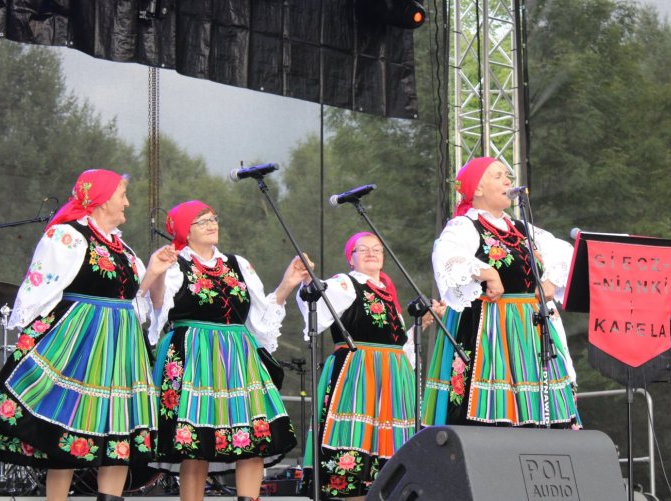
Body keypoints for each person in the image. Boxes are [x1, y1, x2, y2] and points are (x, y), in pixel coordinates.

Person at [0, 169, 177, 501]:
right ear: (101, 199)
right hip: (81, 344)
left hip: (122, 346)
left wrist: (155, 272)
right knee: (68, 429)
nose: (127, 203)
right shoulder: (67, 236)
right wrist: (32, 347)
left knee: (120, 432)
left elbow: (135, 303)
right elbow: (37, 293)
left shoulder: (124, 250)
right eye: (122, 195)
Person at [147, 200, 306, 501]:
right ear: (185, 230)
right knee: (194, 444)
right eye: (202, 220)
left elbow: (259, 320)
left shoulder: (238, 264)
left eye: (213, 218)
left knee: (254, 438)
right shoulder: (176, 265)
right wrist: (155, 275)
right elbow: (158, 309)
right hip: (194, 356)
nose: (212, 224)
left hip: (238, 358)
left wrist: (287, 285)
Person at [422, 157, 581, 429]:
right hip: (488, 328)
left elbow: (565, 251)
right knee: (487, 414)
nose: (508, 181)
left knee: (537, 410)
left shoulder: (521, 228)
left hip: (528, 328)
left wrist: (552, 281)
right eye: (498, 176)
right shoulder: (465, 226)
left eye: (508, 175)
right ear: (478, 189)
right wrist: (486, 272)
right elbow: (447, 256)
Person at [297, 232, 433, 499]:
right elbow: (317, 298)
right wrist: (307, 282)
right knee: (356, 448)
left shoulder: (387, 293)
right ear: (351, 258)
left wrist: (420, 327)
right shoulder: (347, 284)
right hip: (359, 374)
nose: (371, 253)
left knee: (386, 455)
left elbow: (398, 347)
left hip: (392, 377)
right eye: (363, 249)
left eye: (377, 249)